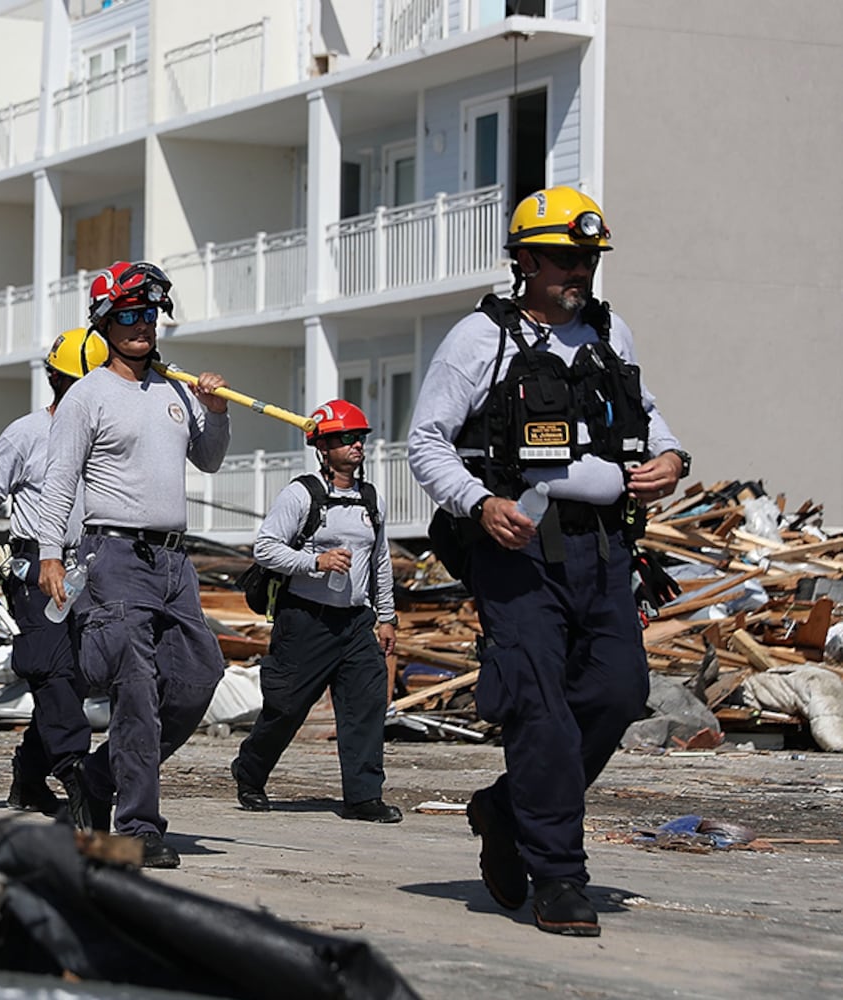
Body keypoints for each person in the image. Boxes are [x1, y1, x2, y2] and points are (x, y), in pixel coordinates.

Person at [408, 187, 689, 936]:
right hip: (519, 549)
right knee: (540, 711)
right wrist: (478, 503)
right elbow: (426, 441)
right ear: (525, 258)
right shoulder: (480, 338)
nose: (580, 272)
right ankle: (560, 877)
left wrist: (672, 457)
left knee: (619, 692)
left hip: (604, 549)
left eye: (588, 259)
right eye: (566, 258)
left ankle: (503, 809)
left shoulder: (607, 331)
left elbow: (650, 413)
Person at [36, 261, 231, 867]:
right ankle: (139, 826)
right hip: (114, 554)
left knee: (201, 676)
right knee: (136, 692)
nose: (141, 325)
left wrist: (215, 410)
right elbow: (59, 479)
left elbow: (210, 460)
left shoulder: (174, 391)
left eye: (148, 314)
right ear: (104, 323)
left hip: (175, 560)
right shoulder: (89, 396)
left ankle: (97, 777)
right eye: (128, 316)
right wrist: (48, 552)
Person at [229, 400, 400, 823]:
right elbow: (265, 548)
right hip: (305, 619)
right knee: (286, 707)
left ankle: (363, 797)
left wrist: (387, 615)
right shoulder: (301, 494)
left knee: (365, 706)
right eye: (344, 438)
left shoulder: (370, 497)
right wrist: (314, 562)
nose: (355, 445)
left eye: (359, 437)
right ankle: (250, 772)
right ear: (322, 447)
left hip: (356, 621)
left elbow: (379, 559)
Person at [0, 329, 108, 821]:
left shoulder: (107, 433)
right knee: (49, 668)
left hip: (90, 566)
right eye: (78, 382)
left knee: (71, 683)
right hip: (34, 569)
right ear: (54, 379)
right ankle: (76, 773)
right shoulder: (26, 433)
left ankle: (28, 774)